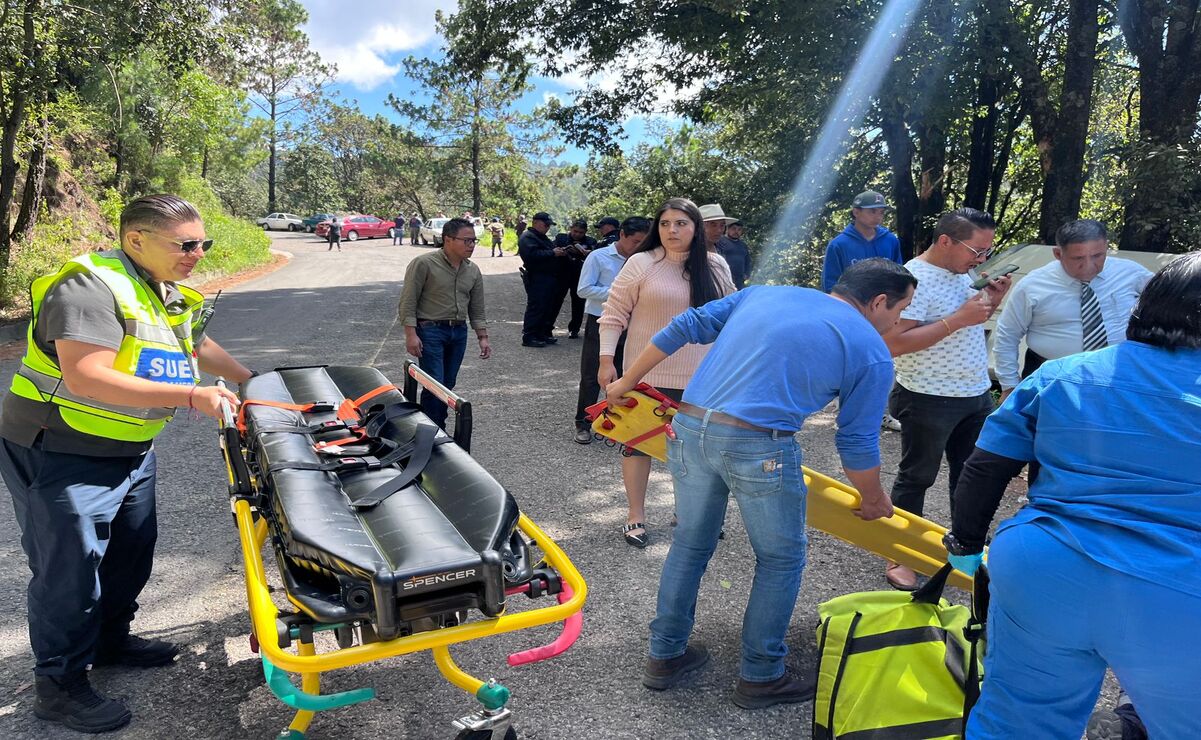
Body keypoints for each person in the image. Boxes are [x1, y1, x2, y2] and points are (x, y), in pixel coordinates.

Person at [607, 258, 914, 708]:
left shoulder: (764, 293)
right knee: (780, 560)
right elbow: (856, 439)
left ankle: (665, 655)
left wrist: (626, 381)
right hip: (759, 446)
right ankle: (762, 674)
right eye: (901, 310)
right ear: (879, 301)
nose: (899, 321)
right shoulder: (869, 348)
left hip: (689, 427)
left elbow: (686, 325)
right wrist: (874, 498)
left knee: (690, 545)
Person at [0, 194, 251, 733]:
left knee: (131, 553)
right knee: (69, 571)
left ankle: (110, 641)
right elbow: (87, 375)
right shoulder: (88, 286)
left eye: (203, 243)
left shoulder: (164, 289)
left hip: (129, 447)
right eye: (186, 244)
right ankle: (59, 685)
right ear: (136, 239)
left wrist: (253, 382)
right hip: (62, 448)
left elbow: (198, 345)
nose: (198, 253)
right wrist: (192, 397)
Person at [941, 252, 1201, 739]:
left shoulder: (1062, 374)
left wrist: (967, 549)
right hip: (1182, 583)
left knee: (1016, 721)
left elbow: (984, 469)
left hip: (1043, 566)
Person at [880, 207, 1011, 590]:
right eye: (976, 250)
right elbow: (893, 343)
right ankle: (900, 552)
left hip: (974, 394)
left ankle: (965, 548)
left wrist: (993, 301)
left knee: (970, 476)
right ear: (944, 241)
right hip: (927, 395)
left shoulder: (962, 273)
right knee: (916, 476)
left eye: (987, 251)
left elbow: (966, 326)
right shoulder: (912, 279)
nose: (982, 259)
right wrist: (957, 319)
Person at [599, 198, 735, 547]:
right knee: (638, 447)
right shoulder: (641, 263)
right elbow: (614, 314)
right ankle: (635, 517)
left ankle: (687, 513)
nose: (672, 230)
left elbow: (731, 319)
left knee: (695, 452)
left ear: (696, 228)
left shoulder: (716, 265)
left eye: (681, 223)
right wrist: (605, 360)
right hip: (644, 376)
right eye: (665, 224)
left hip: (702, 379)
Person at [993, 219, 1152, 401]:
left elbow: (1169, 304)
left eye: (1098, 255)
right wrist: (1009, 385)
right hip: (1051, 378)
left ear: (1106, 247)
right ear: (1058, 254)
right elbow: (1007, 334)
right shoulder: (1033, 286)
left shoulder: (1131, 273)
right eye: (1078, 258)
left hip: (1117, 373)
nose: (1089, 264)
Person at [399, 217, 491, 428]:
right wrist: (410, 334)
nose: (471, 246)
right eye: (466, 241)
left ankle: (434, 428)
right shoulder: (424, 264)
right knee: (435, 385)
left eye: (474, 241)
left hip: (458, 332)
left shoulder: (472, 270)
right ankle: (432, 432)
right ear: (448, 239)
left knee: (448, 385)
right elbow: (408, 300)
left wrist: (483, 337)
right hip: (430, 331)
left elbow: (477, 307)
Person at [572, 216, 651, 444]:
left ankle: (614, 423)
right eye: (635, 241)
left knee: (626, 375)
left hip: (634, 323)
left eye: (644, 242)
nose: (639, 247)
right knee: (592, 375)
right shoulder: (599, 257)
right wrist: (620, 294)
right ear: (622, 235)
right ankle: (583, 423)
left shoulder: (646, 260)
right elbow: (583, 289)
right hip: (601, 321)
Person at [821, 190, 903, 292]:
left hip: (883, 304)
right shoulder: (838, 245)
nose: (878, 217)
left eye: (881, 212)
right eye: (872, 211)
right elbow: (830, 285)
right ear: (856, 212)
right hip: (850, 305)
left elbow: (899, 277)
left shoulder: (891, 240)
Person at [517, 212, 563, 348]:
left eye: (549, 225)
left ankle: (541, 333)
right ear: (536, 223)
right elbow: (531, 255)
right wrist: (553, 253)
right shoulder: (528, 237)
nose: (547, 227)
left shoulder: (541, 237)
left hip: (548, 277)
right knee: (536, 307)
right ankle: (529, 336)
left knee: (547, 307)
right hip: (537, 277)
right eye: (545, 225)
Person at [553, 219, 597, 339]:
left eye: (580, 232)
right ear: (571, 229)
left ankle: (574, 329)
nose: (577, 234)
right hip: (562, 274)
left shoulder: (590, 241)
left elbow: (596, 255)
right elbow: (552, 250)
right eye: (575, 231)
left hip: (580, 276)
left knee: (578, 304)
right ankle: (548, 327)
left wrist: (587, 253)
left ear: (585, 232)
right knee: (555, 301)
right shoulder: (561, 238)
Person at [716, 219, 753, 289]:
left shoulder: (743, 245)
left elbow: (748, 261)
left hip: (740, 281)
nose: (736, 231)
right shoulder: (720, 241)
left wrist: (747, 274)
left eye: (739, 230)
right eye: (734, 228)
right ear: (727, 229)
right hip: (724, 279)